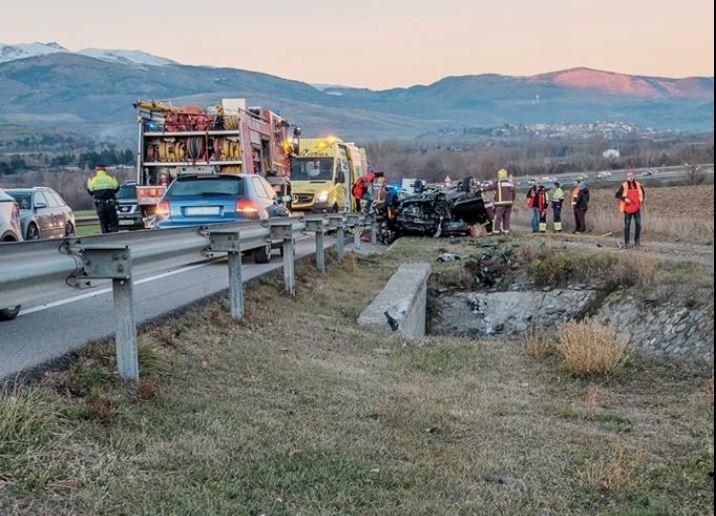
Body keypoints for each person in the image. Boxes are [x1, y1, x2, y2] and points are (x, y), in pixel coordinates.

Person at [615, 171, 646, 248]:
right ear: (627, 177)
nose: (630, 177)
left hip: (636, 208)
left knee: (638, 225)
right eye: (629, 176)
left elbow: (643, 194)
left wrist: (641, 201)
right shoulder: (624, 185)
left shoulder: (638, 185)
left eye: (631, 176)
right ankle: (627, 243)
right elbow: (617, 195)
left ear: (634, 176)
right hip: (627, 209)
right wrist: (624, 199)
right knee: (627, 226)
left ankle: (637, 242)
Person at [86, 165, 119, 233]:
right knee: (113, 223)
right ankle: (115, 239)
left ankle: (105, 239)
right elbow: (116, 188)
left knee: (103, 224)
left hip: (100, 205)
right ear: (104, 170)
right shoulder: (110, 178)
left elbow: (90, 192)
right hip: (110, 204)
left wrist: (89, 182)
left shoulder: (93, 180)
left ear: (96, 170)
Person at [487, 168, 514, 235]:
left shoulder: (498, 183)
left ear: (499, 175)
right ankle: (506, 232)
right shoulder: (510, 183)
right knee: (506, 218)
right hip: (509, 204)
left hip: (500, 204)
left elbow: (490, 187)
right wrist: (511, 200)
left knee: (497, 218)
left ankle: (496, 232)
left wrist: (481, 189)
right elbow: (514, 194)